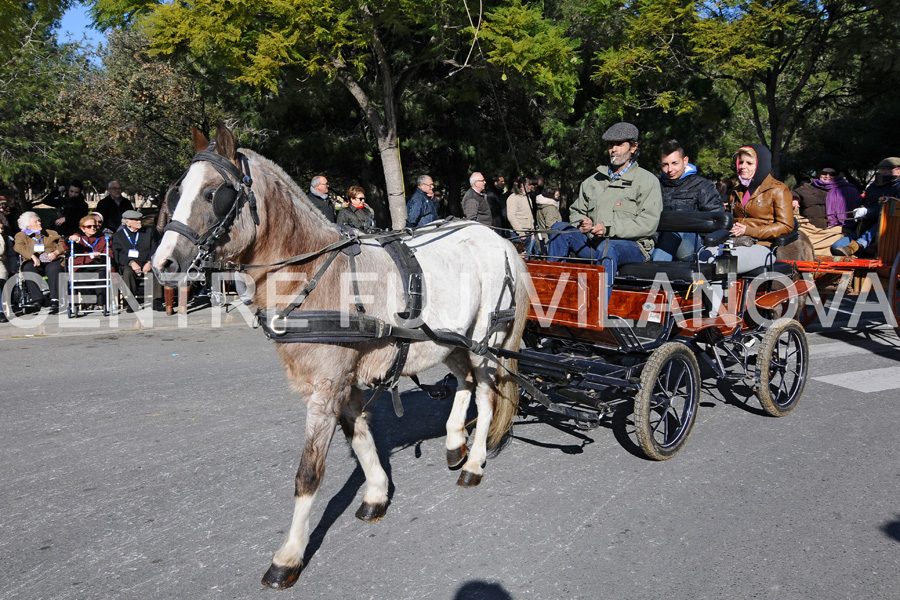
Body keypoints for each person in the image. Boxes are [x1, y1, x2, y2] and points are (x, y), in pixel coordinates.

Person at [548, 122, 662, 299]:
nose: (614, 149)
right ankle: (552, 295)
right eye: (610, 145)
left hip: (633, 248)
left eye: (620, 144)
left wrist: (609, 228)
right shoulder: (592, 181)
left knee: (610, 247)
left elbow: (648, 223)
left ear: (634, 147)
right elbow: (577, 211)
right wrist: (582, 222)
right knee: (559, 229)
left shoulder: (648, 181)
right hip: (594, 244)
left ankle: (598, 313)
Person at [720, 144, 794, 272]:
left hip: (762, 245)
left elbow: (786, 226)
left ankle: (721, 293)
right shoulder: (736, 191)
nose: (743, 166)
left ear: (761, 165)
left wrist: (749, 230)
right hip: (735, 242)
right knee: (704, 259)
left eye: (749, 163)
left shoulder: (778, 190)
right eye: (741, 162)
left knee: (723, 266)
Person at [652, 140, 723, 261]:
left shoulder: (702, 185)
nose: (670, 169)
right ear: (659, 164)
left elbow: (716, 219)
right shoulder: (654, 185)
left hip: (691, 245)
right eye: (665, 164)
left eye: (675, 163)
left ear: (685, 161)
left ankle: (656, 269)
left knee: (676, 226)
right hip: (658, 242)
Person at [832, 157, 900, 256]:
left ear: (898, 171)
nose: (884, 172)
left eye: (888, 169)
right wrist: (858, 209)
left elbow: (892, 208)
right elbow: (865, 202)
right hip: (864, 226)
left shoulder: (898, 187)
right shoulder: (873, 187)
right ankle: (857, 264)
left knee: (881, 224)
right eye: (882, 169)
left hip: (890, 228)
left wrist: (867, 212)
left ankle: (856, 246)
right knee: (836, 247)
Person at [791, 163, 861, 255]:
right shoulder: (809, 187)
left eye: (832, 174)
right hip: (808, 228)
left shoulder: (847, 189)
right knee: (797, 235)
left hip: (834, 229)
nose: (828, 176)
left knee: (837, 238)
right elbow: (793, 192)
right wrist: (795, 199)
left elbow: (860, 202)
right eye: (824, 173)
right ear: (819, 174)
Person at [13, 211, 66, 313]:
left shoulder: (51, 233)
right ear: (28, 226)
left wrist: (56, 252)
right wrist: (32, 256)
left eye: (39, 220)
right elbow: (18, 247)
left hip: (51, 259)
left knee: (55, 268)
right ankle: (37, 299)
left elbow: (63, 244)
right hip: (33, 261)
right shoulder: (21, 235)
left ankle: (55, 299)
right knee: (28, 269)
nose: (39, 223)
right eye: (36, 221)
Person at [112, 210, 163, 310]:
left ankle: (156, 300)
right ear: (127, 222)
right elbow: (118, 254)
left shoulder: (148, 232)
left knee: (155, 270)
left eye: (140, 219)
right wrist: (131, 262)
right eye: (136, 220)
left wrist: (149, 262)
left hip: (146, 261)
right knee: (128, 272)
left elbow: (154, 248)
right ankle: (131, 302)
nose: (139, 221)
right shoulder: (118, 236)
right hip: (129, 263)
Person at [506, 178, 536, 255]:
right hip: (518, 234)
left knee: (527, 259)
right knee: (518, 258)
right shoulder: (513, 197)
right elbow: (511, 216)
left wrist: (532, 232)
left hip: (529, 233)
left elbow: (530, 216)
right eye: (529, 184)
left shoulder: (528, 198)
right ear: (522, 185)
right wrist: (520, 232)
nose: (531, 186)